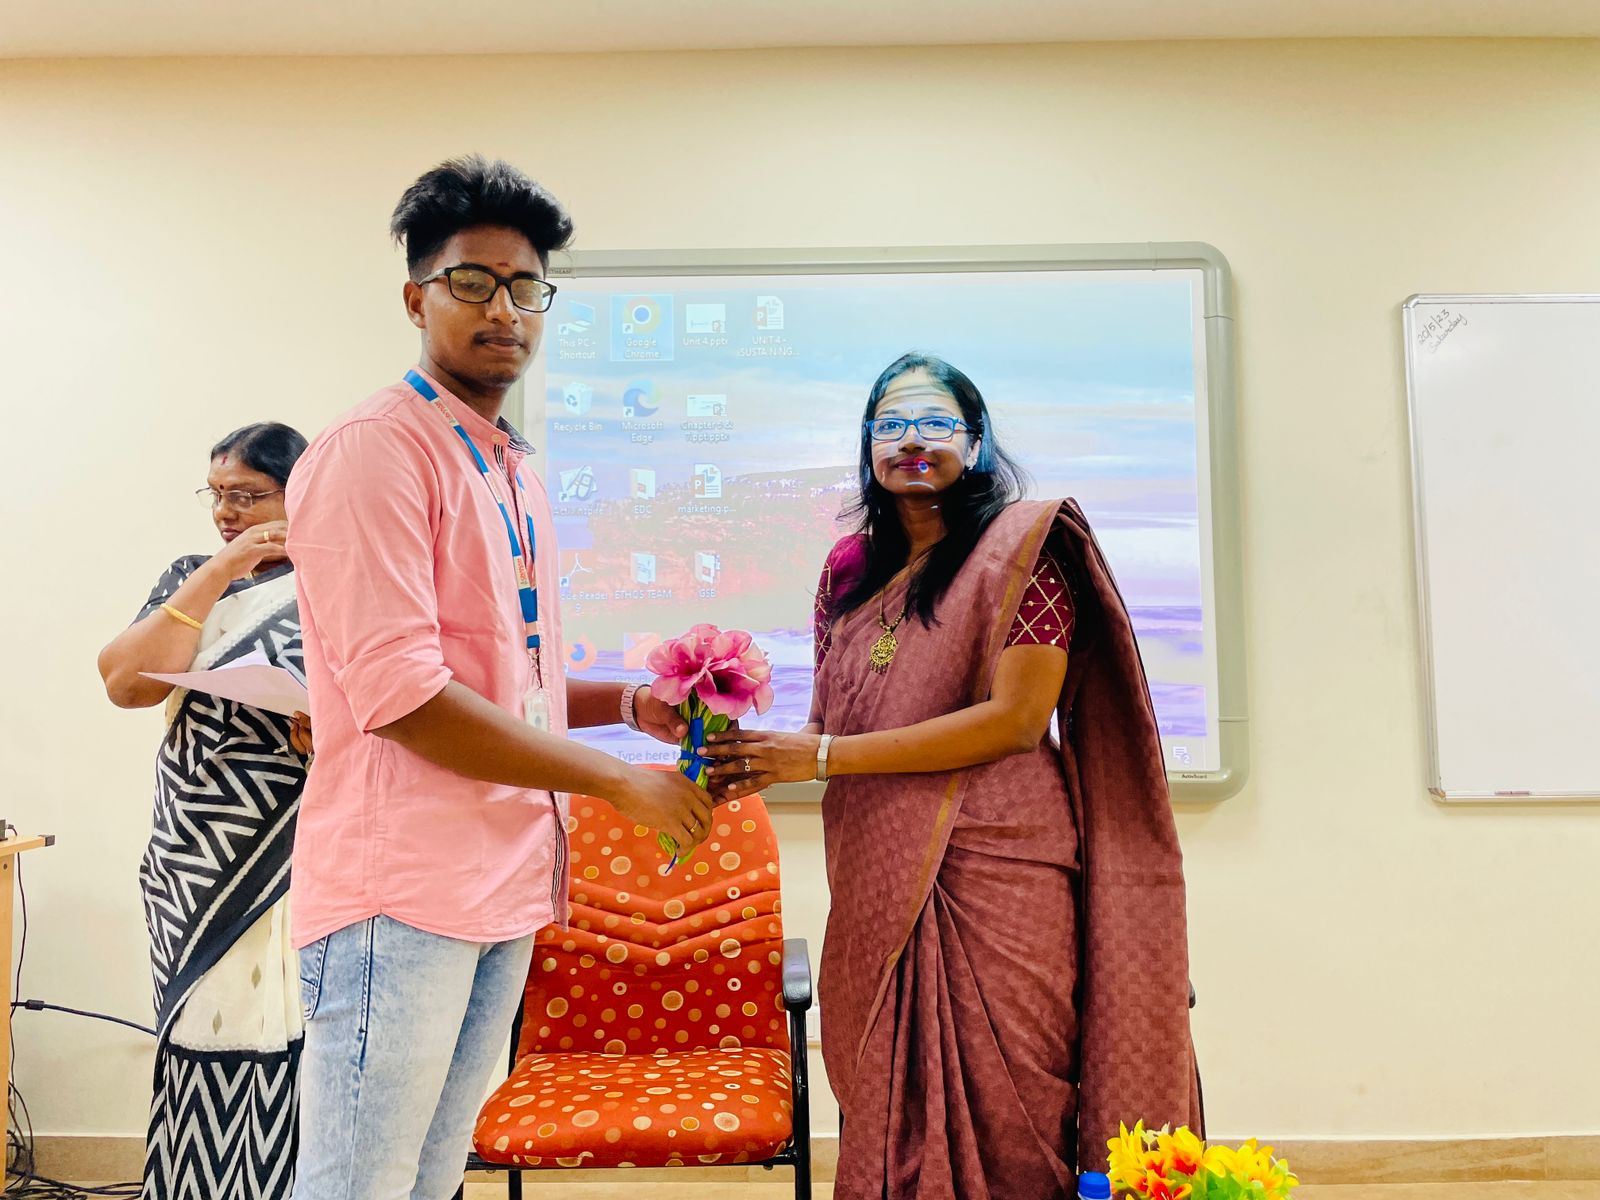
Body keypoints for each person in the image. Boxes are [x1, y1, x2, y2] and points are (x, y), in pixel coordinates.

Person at [284, 156, 713, 1200]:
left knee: (431, 1178)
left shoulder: (509, 462)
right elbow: (405, 698)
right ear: (416, 297)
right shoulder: (376, 452)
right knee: (357, 1186)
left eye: (526, 288)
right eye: (472, 283)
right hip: (402, 892)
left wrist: (628, 706)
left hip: (504, 884)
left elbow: (506, 674)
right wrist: (617, 782)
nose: (504, 310)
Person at [703, 353, 1202, 1198]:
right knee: (887, 1086)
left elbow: (1015, 722)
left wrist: (819, 758)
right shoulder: (846, 568)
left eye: (936, 423)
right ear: (868, 444)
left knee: (1017, 1090)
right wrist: (747, 755)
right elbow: (832, 720)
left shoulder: (1024, 553)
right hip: (877, 862)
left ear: (975, 443)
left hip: (1002, 864)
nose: (913, 441)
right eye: (891, 424)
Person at [98, 422, 313, 1199]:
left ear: (299, 493)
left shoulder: (339, 580)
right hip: (193, 850)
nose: (226, 511)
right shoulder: (193, 577)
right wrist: (224, 567)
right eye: (217, 494)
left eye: (247, 495)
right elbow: (126, 682)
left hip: (297, 847)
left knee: (297, 1044)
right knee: (196, 1030)